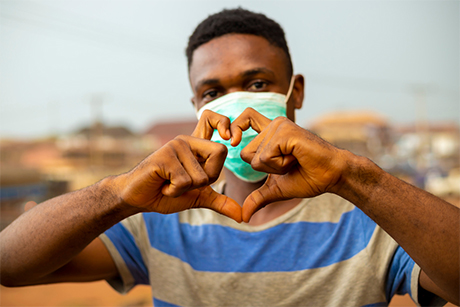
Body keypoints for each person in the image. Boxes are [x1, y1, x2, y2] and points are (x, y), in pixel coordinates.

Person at [1, 8, 458, 307]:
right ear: (198, 109)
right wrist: (116, 194)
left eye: (257, 84)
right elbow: (9, 266)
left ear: (293, 93)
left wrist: (357, 178)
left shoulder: (372, 217)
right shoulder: (161, 216)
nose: (236, 104)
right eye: (213, 92)